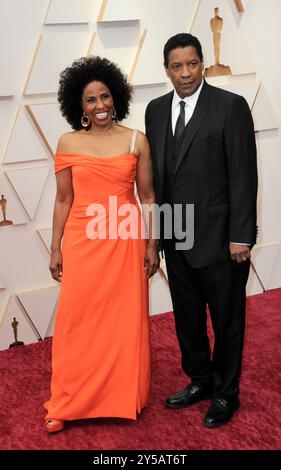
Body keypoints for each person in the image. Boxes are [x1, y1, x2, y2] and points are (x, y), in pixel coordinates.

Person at [145, 33, 257, 428]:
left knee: (228, 321)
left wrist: (241, 235)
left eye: (192, 64)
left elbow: (243, 174)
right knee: (186, 319)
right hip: (176, 237)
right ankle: (201, 381)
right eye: (177, 66)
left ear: (203, 64)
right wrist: (156, 236)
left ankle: (226, 393)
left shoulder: (230, 106)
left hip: (221, 240)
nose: (186, 73)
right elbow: (157, 180)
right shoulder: (155, 111)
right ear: (167, 70)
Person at [44, 56, 159, 433]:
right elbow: (63, 200)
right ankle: (66, 402)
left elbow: (147, 198)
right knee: (76, 323)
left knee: (122, 322)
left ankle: (120, 396)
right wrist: (55, 247)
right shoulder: (68, 141)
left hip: (125, 241)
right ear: (79, 106)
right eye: (90, 100)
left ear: (116, 98)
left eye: (105, 97)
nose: (100, 106)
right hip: (81, 241)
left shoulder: (135, 140)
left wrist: (152, 245)